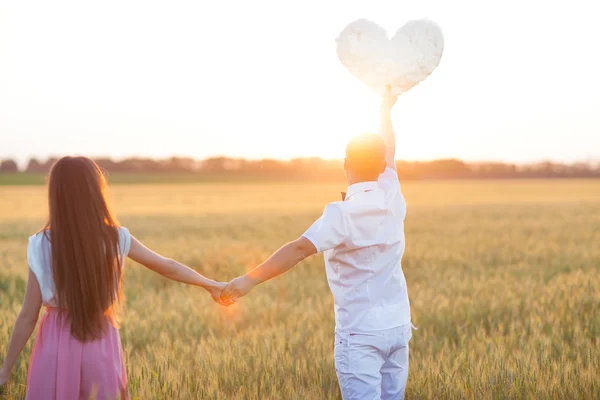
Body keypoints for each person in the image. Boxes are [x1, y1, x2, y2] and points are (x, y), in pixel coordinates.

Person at [220, 89, 414, 399]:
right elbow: (389, 146)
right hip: (397, 327)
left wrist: (247, 280)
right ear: (381, 166)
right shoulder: (392, 191)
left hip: (360, 332)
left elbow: (298, 249)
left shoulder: (341, 213)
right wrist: (385, 111)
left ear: (345, 163)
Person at [0, 157, 226, 400]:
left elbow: (28, 315)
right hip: (99, 342)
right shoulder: (115, 238)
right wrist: (211, 284)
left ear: (55, 195)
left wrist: (5, 371)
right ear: (96, 191)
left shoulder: (40, 244)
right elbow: (168, 267)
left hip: (55, 348)